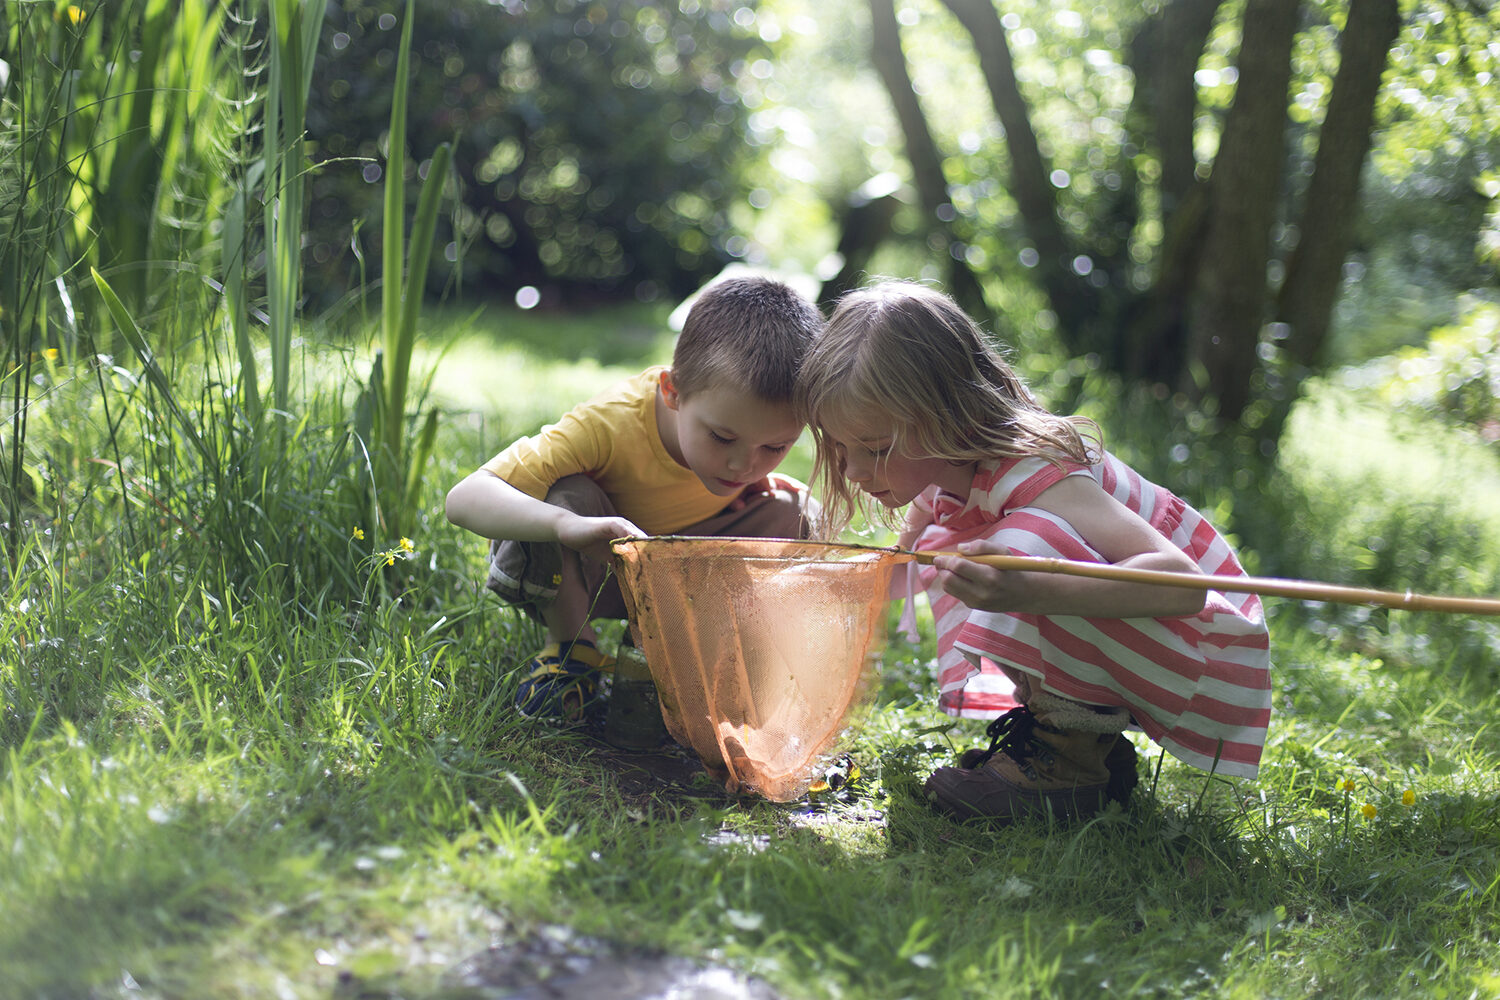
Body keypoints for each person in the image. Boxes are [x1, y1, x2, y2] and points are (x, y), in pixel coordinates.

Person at [795, 280, 1272, 823]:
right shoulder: (941, 474)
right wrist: (826, 588)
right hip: (1150, 641)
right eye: (839, 448)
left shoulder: (1037, 472)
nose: (854, 472)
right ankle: (1087, 749)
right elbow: (898, 572)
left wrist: (1027, 588)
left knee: (1015, 548)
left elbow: (1180, 585)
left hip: (1208, 648)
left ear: (943, 415)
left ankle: (1065, 766)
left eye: (876, 449)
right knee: (952, 550)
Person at [446, 276, 824, 723]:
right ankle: (573, 653)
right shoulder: (610, 423)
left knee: (798, 513)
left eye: (774, 448)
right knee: (564, 494)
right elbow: (463, 498)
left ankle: (695, 655)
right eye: (722, 437)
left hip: (678, 574)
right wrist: (565, 526)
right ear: (672, 391)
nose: (743, 466)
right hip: (591, 572)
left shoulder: (741, 448)